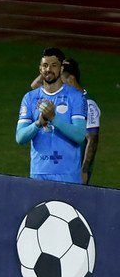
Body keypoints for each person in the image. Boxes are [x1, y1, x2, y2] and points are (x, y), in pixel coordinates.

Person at [16, 48, 87, 184]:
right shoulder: (30, 98)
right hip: (38, 174)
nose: (49, 69)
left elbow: (79, 135)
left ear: (61, 69)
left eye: (54, 65)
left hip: (68, 175)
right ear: (40, 69)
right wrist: (38, 123)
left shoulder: (76, 97)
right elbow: (20, 137)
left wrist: (53, 118)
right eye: (45, 65)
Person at [30, 58, 100, 184]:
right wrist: (49, 68)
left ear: (71, 80)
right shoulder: (64, 97)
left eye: (61, 79)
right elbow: (34, 86)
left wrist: (84, 171)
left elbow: (92, 140)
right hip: (56, 166)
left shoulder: (88, 104)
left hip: (74, 170)